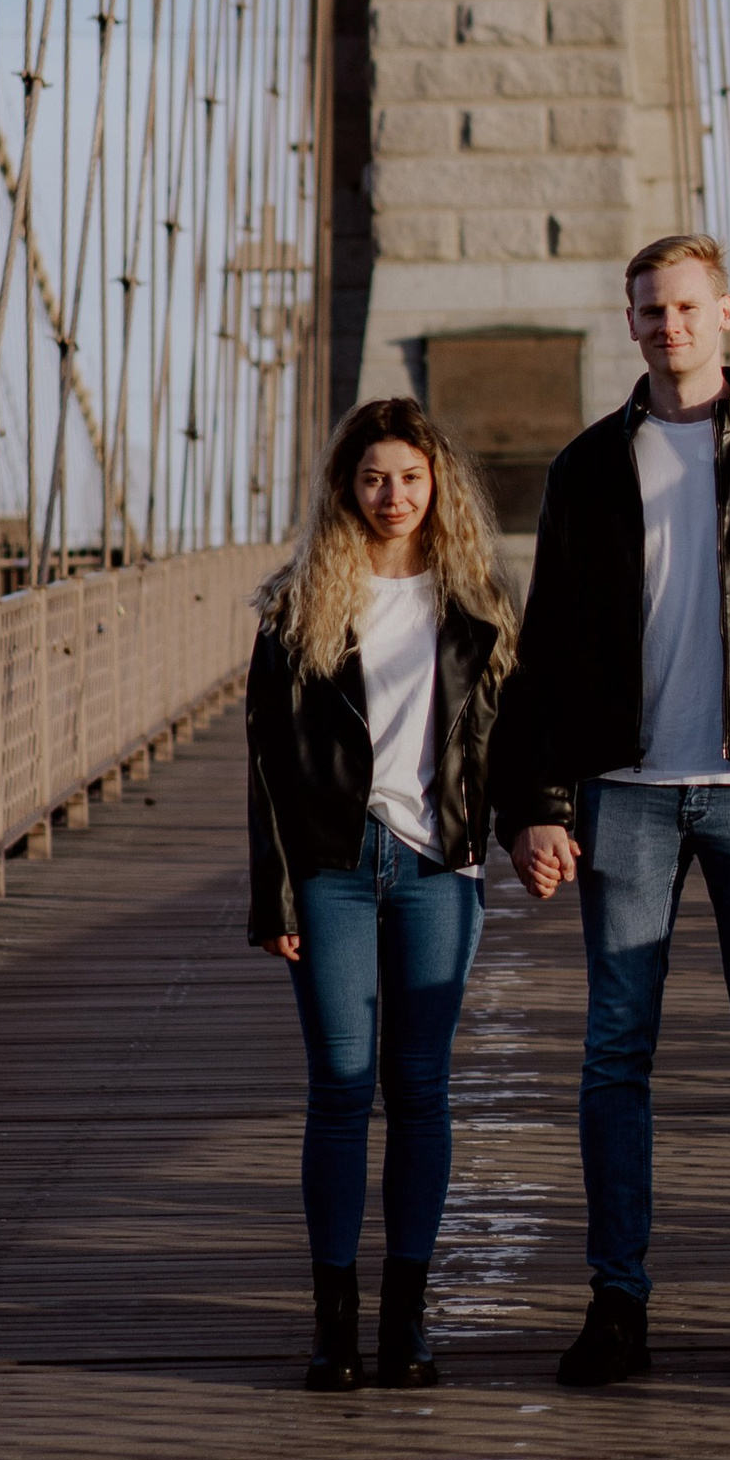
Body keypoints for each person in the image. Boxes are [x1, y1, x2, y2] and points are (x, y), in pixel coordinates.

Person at [491, 232, 730, 1390]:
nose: (669, 326)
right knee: (615, 1051)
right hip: (626, 793)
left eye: (687, 308)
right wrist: (538, 805)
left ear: (728, 315)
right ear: (631, 323)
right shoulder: (588, 467)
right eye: (649, 310)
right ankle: (617, 1304)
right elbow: (545, 653)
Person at [246, 396, 517, 1392]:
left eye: (408, 476)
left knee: (422, 1092)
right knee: (339, 1089)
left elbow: (512, 734)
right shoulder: (297, 604)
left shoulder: (480, 598)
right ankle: (334, 1324)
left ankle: (406, 1320)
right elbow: (266, 762)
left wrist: (536, 823)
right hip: (333, 867)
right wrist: (272, 895)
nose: (391, 495)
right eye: (371, 478)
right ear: (344, 488)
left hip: (438, 866)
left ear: (435, 481)